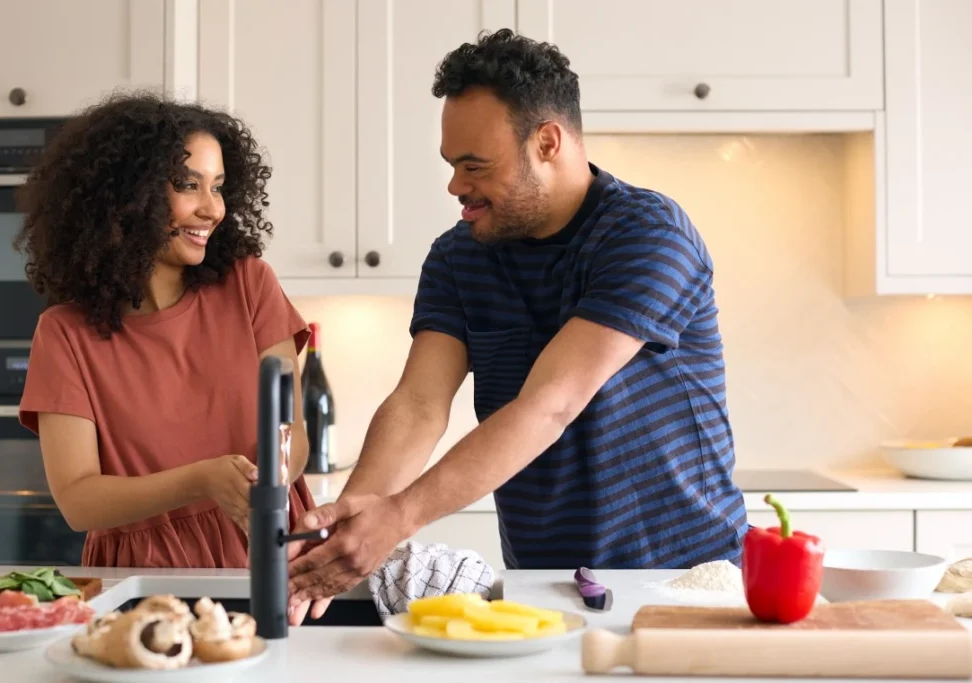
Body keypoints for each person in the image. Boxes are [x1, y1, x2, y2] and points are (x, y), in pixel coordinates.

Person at [286, 29, 747, 607]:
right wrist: (344, 530)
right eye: (452, 165)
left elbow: (550, 404)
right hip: (545, 581)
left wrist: (397, 518)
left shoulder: (646, 234)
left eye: (474, 166)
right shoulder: (459, 256)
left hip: (684, 576)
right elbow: (419, 404)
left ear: (548, 142)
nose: (456, 186)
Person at [14, 91, 328, 624]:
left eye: (219, 187)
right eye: (188, 186)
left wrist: (265, 485)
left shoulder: (249, 285)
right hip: (144, 581)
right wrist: (203, 480)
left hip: (272, 557)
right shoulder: (65, 333)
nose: (212, 209)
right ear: (125, 197)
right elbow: (78, 500)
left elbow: (291, 435)